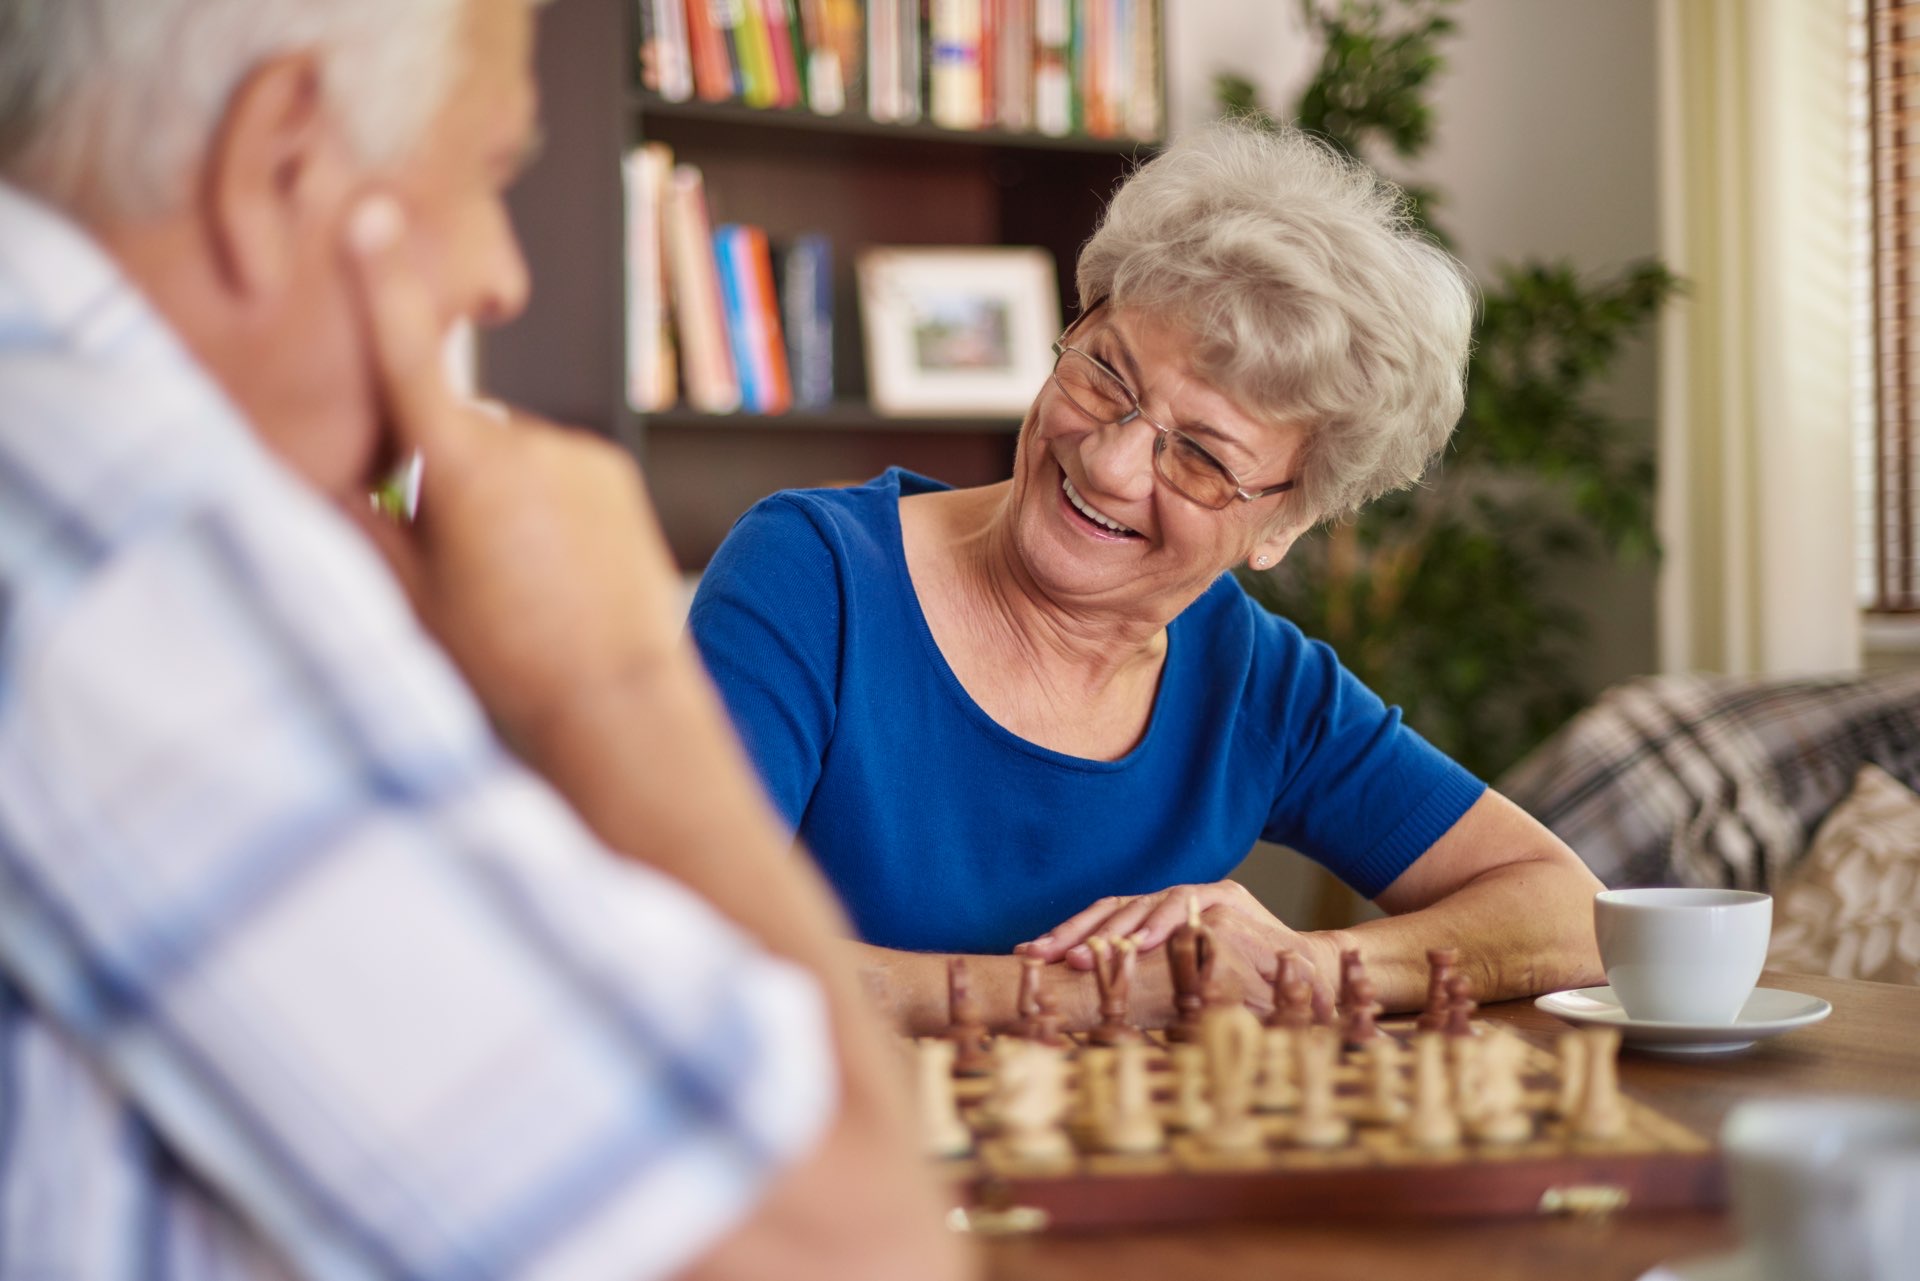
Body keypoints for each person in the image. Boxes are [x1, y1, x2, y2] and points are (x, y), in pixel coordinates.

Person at [0, 1, 967, 1277]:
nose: (502, 275)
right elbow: (853, 1248)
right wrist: (611, 675)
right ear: (280, 159)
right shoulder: (143, 546)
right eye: (489, 174)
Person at [690, 122, 1608, 1035]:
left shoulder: (1254, 683)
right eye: (1104, 376)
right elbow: (681, 950)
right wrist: (1096, 994)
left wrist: (1301, 966)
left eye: (1202, 457)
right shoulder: (815, 577)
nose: (1113, 462)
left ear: (1282, 523)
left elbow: (1571, 913)